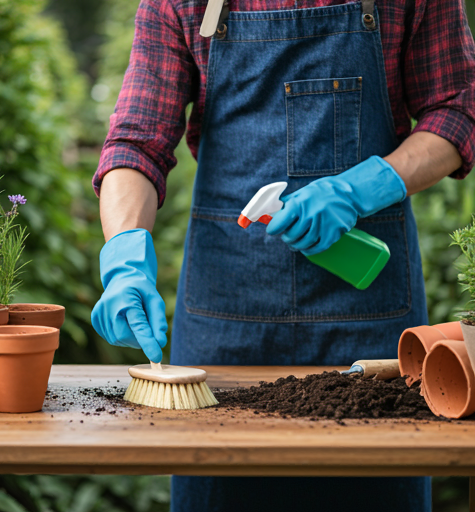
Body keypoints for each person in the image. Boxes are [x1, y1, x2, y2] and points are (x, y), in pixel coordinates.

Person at [91, 0, 475, 510]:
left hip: (368, 321)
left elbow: (459, 107)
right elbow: (135, 144)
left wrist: (363, 187)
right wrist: (123, 253)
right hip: (224, 326)